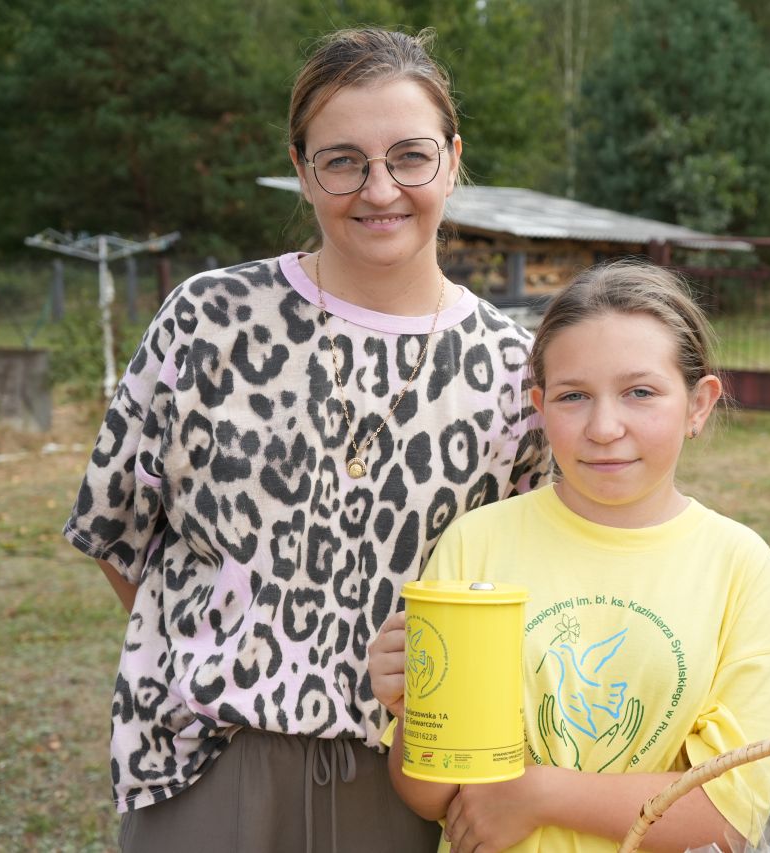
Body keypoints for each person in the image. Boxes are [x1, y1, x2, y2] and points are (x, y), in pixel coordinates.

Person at [63, 27, 549, 853]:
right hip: (212, 766)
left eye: (410, 156)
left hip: (412, 774)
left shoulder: (511, 369)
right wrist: (218, 651)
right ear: (301, 166)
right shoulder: (209, 320)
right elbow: (117, 530)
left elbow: (530, 579)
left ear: (453, 159)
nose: (379, 188)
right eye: (343, 160)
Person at [368, 260, 770, 853]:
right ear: (541, 407)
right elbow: (429, 796)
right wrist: (415, 711)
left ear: (698, 404)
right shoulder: (478, 543)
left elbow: (729, 812)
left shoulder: (738, 566)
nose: (603, 426)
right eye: (574, 396)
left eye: (640, 392)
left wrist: (539, 793)